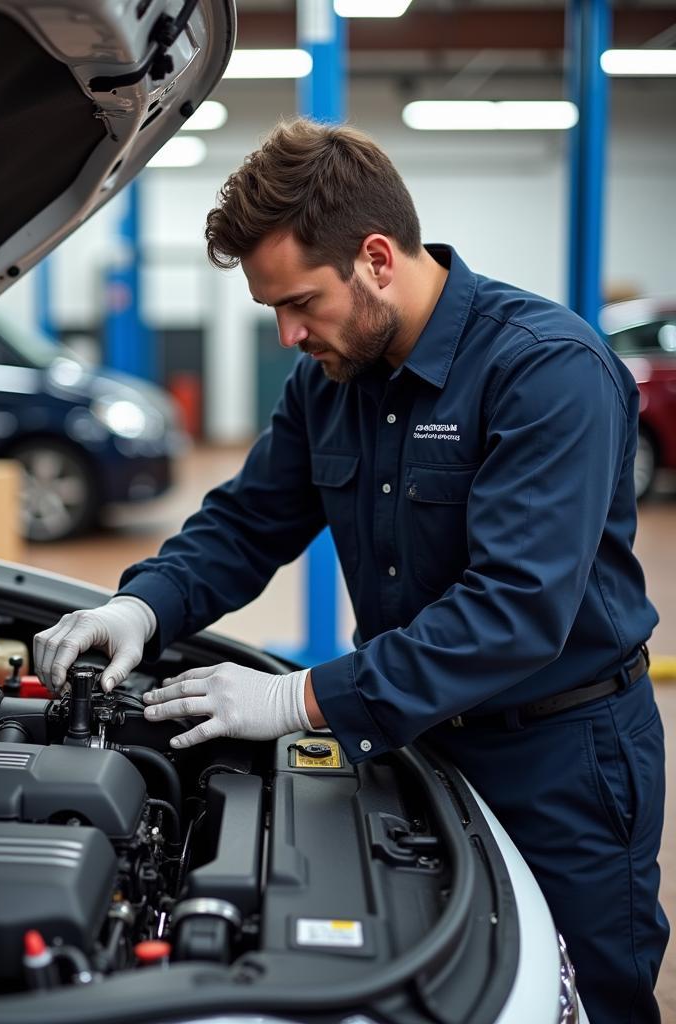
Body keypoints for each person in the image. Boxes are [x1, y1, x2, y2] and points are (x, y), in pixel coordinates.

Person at [33, 118, 667, 1023]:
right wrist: (141, 606)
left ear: (376, 257)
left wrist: (298, 701)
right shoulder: (329, 380)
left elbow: (515, 611)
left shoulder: (545, 371)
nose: (289, 334)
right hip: (416, 737)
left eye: (301, 303)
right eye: (272, 311)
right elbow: (250, 521)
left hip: (560, 759)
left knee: (585, 996)